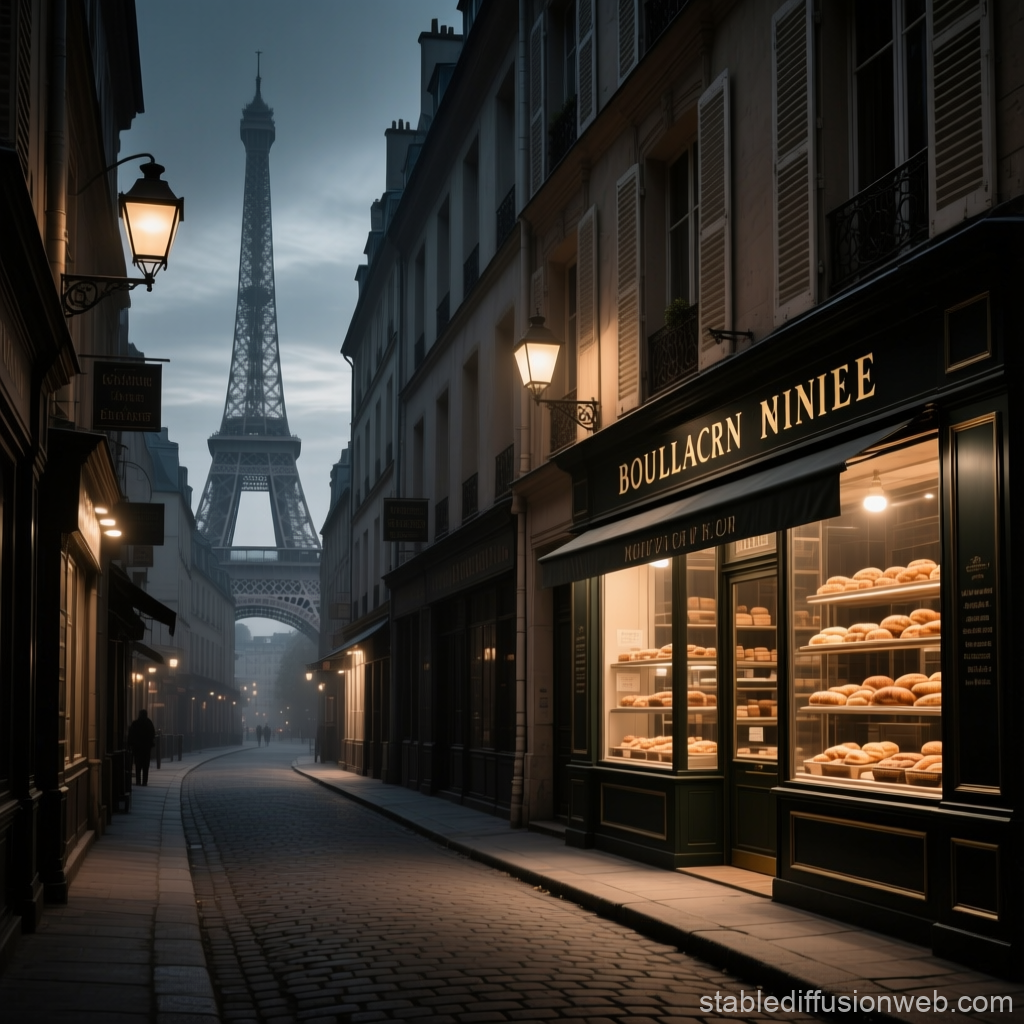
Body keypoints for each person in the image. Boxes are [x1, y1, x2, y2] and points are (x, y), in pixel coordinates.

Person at [127, 708, 156, 786]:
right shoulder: (149, 723)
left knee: (138, 765)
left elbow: (131, 735)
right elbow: (153, 734)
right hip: (146, 748)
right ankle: (144, 781)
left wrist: (130, 744)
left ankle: (138, 780)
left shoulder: (135, 723)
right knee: (146, 766)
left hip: (137, 748)